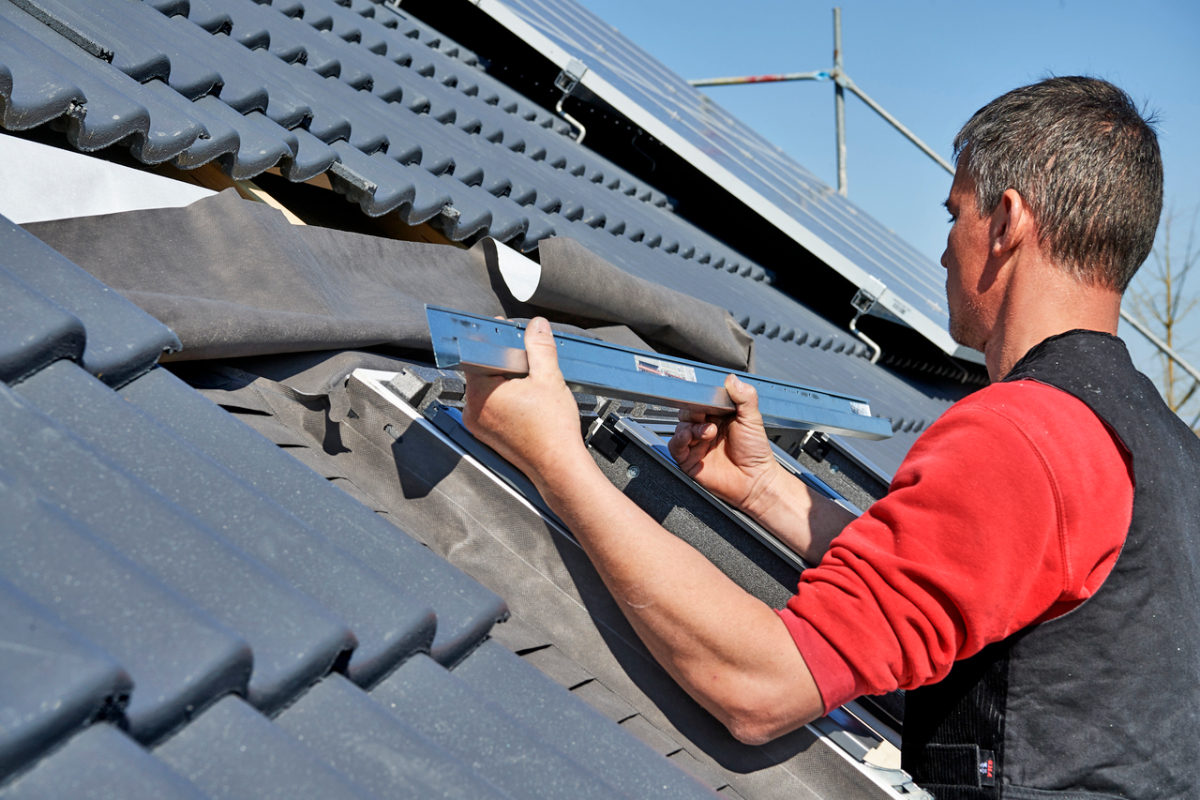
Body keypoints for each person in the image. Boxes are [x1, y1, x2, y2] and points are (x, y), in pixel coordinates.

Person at [463, 77, 1200, 798]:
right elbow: (969, 581)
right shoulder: (1169, 455)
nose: (945, 250)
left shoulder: (1022, 434)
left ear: (1006, 222)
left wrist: (554, 456)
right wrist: (766, 489)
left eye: (955, 215)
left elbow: (765, 685)